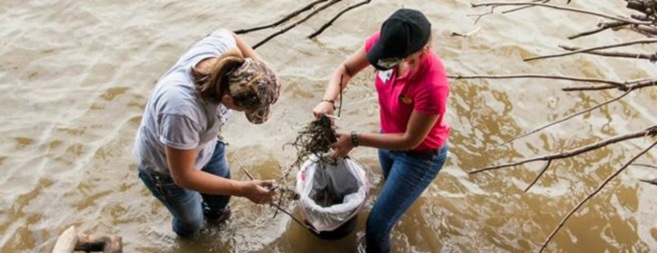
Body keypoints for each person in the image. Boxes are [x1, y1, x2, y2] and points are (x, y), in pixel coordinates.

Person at [312, 9, 450, 253]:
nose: (381, 61)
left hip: (420, 155)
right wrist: (328, 101)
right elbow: (346, 69)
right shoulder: (388, 43)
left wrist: (355, 139)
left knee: (376, 226)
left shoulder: (433, 85)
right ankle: (400, 206)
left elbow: (410, 140)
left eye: (387, 60)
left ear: (416, 53)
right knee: (389, 191)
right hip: (386, 138)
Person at [134, 29, 280, 237]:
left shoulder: (225, 58)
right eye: (245, 109)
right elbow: (183, 176)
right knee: (193, 222)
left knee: (220, 200)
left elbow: (228, 33)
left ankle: (216, 215)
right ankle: (190, 238)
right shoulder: (181, 109)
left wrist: (265, 72)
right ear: (228, 100)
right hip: (166, 169)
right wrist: (243, 189)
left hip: (205, 143)